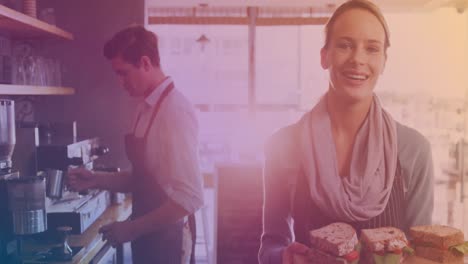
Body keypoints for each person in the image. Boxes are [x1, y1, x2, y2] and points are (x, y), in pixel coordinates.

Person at [258, 1, 434, 263]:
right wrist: (283, 257)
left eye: (372, 48)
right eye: (344, 45)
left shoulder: (413, 149)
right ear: (324, 56)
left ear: (384, 61)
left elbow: (421, 250)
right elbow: (270, 245)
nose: (358, 59)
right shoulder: (283, 145)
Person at [67, 25, 204, 264]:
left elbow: (190, 197)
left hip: (168, 238)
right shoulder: (144, 108)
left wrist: (132, 229)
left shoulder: (175, 111)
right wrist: (96, 178)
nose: (120, 82)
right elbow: (143, 178)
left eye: (124, 73)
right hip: (148, 234)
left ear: (145, 63)